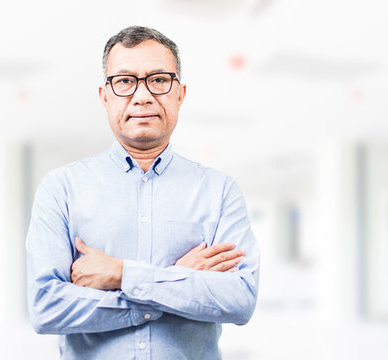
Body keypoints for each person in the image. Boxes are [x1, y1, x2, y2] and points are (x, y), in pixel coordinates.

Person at [25, 26, 260, 359]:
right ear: (104, 96)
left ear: (180, 94)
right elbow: (46, 308)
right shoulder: (61, 188)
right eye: (124, 82)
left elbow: (239, 300)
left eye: (159, 80)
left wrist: (121, 275)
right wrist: (178, 284)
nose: (143, 95)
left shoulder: (219, 190)